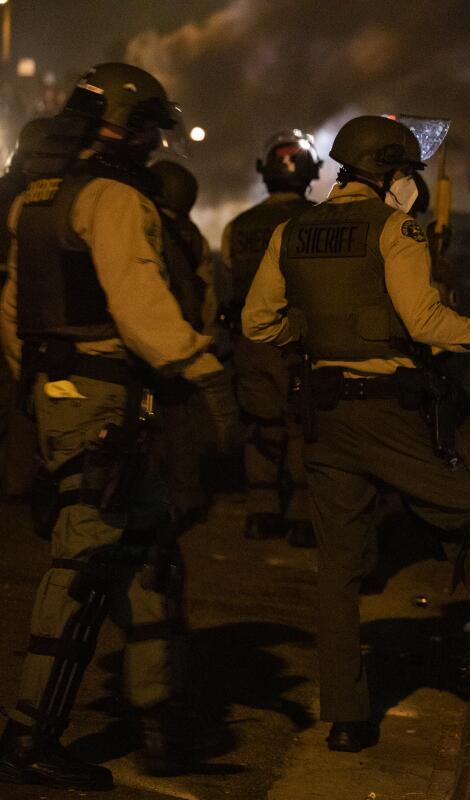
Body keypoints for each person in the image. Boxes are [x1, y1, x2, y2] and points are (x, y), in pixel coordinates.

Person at [240, 114, 470, 752]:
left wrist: (322, 334)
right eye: (408, 171)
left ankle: (346, 719)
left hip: (325, 418)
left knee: (338, 569)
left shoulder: (292, 231)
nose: (412, 182)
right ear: (389, 173)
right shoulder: (395, 228)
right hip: (389, 411)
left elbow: (258, 323)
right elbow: (426, 320)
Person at [0, 63, 240, 790]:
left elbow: (13, 314)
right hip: (105, 404)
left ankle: (160, 723)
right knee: (80, 565)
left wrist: (44, 385)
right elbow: (141, 309)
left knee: (145, 554)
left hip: (65, 397)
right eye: (148, 129)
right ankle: (28, 736)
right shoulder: (112, 198)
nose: (152, 143)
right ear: (130, 124)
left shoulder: (39, 198)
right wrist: (203, 373)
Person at [222, 130, 321, 547]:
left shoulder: (238, 227)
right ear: (311, 173)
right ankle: (301, 515)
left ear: (264, 173)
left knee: (261, 425)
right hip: (300, 341)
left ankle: (261, 513)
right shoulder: (319, 222)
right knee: (303, 426)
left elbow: (228, 285)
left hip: (251, 342)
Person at [149, 159, 221, 527]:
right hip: (185, 338)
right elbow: (207, 291)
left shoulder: (143, 220)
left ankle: (146, 499)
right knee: (181, 423)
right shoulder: (192, 233)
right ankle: (186, 498)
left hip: (148, 336)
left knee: (146, 421)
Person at [0, 118, 53, 498]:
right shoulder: (39, 198)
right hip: (21, 308)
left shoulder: (8, 191)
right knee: (20, 396)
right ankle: (17, 481)